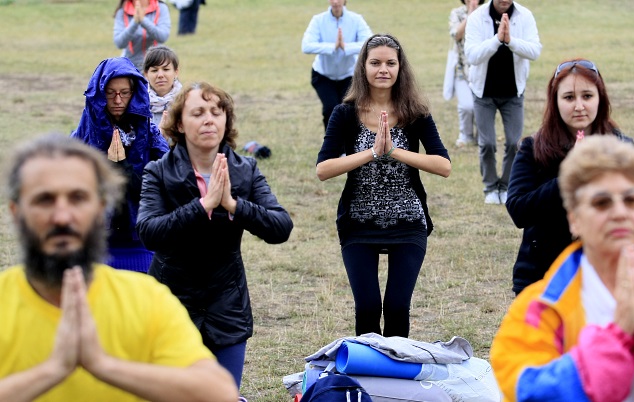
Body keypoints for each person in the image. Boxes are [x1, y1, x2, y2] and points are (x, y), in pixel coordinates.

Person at [0, 134, 239, 402]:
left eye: (78, 198)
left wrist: (104, 365)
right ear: (16, 213)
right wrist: (53, 370)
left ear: (101, 208)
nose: (62, 216)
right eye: (44, 200)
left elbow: (219, 393)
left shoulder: (146, 298)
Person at [136, 82, 294, 389]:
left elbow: (280, 227)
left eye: (216, 112)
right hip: (171, 306)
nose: (209, 119)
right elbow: (149, 233)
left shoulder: (245, 169)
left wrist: (233, 204)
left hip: (227, 305)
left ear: (226, 120)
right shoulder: (159, 171)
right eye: (198, 113)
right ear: (180, 123)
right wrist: (203, 205)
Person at [491, 135, 634, 401]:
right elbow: (531, 393)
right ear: (574, 219)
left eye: (632, 200)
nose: (619, 213)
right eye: (601, 202)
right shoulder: (535, 309)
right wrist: (617, 339)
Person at [316, 34, 452, 337]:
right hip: (358, 223)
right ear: (363, 67)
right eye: (375, 62)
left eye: (391, 63)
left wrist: (393, 151)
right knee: (366, 308)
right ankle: (366, 378)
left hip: (408, 221)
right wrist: (372, 153)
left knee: (396, 307)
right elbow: (323, 169)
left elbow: (443, 166)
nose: (383, 69)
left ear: (400, 68)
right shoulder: (344, 113)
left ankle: (394, 380)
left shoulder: (416, 113)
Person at [506, 59, 633, 295]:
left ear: (600, 98)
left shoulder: (621, 146)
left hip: (606, 275)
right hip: (543, 277)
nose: (579, 106)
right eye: (568, 97)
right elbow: (518, 209)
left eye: (587, 96)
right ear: (555, 101)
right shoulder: (532, 148)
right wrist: (569, 175)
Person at [71, 57, 169, 273]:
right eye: (110, 93)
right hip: (95, 244)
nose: (117, 100)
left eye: (124, 93)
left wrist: (124, 168)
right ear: (99, 94)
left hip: (141, 243)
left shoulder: (148, 133)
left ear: (134, 94)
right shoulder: (84, 135)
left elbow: (165, 187)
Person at [464, 0, 541, 205]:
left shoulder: (525, 16)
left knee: (514, 142)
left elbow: (535, 51)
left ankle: (506, 186)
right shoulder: (477, 17)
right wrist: (497, 40)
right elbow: (471, 55)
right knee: (487, 143)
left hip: (513, 93)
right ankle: (490, 187)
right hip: (483, 93)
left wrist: (510, 40)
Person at [302, 0, 372, 131]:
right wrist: (332, 47)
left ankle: (347, 150)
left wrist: (346, 47)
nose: (335, 2)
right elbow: (306, 46)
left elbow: (369, 42)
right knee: (330, 110)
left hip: (349, 76)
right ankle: (332, 149)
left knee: (348, 112)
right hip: (323, 75)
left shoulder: (356, 20)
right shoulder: (318, 20)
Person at [446, 0, 484, 148]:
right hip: (461, 69)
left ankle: (483, 136)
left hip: (482, 69)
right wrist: (470, 15)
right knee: (467, 106)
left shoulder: (486, 12)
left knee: (482, 105)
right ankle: (466, 135)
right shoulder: (457, 13)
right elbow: (456, 35)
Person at [113, 0, 171, 71]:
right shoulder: (122, 11)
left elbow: (163, 37)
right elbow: (119, 43)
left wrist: (143, 20)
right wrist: (135, 22)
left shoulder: (161, 7)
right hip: (131, 66)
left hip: (155, 65)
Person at [143, 44, 182, 130]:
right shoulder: (138, 104)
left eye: (166, 69)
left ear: (176, 72)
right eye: (154, 70)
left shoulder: (185, 101)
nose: (160, 75)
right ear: (146, 74)